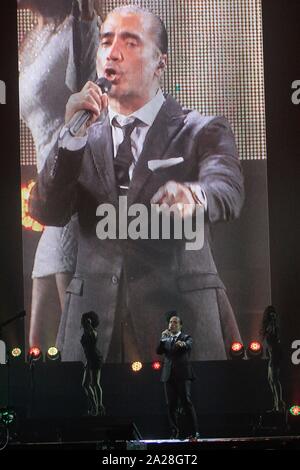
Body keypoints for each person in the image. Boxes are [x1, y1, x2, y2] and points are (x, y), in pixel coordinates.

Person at [29, 5, 244, 363]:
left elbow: (228, 188)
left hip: (179, 325)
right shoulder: (81, 136)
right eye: (106, 41)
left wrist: (196, 195)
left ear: (160, 62)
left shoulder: (201, 130)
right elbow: (45, 210)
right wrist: (68, 138)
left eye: (130, 43)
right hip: (94, 334)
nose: (112, 53)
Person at [18, 0, 101, 349]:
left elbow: (89, 84)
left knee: (73, 326)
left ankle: (93, 396)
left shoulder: (77, 28)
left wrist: (86, 22)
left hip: (72, 185)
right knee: (38, 336)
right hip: (49, 188)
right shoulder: (31, 36)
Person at [157, 313, 199, 439]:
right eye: (170, 322)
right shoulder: (166, 338)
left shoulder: (186, 337)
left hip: (183, 375)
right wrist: (162, 339)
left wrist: (183, 344)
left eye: (175, 322)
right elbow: (158, 351)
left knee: (186, 402)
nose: (172, 324)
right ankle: (175, 432)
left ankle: (193, 432)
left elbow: (189, 345)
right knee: (171, 405)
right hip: (168, 376)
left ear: (180, 325)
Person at [261, 305, 285, 413]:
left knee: (274, 380)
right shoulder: (268, 325)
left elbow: (275, 337)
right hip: (272, 354)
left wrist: (273, 319)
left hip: (275, 354)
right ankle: (276, 405)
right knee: (271, 380)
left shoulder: (273, 325)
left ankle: (279, 405)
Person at [80, 311, 105, 416]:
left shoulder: (93, 332)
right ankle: (95, 406)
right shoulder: (86, 332)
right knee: (85, 384)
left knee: (95, 383)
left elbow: (92, 339)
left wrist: (89, 324)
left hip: (95, 358)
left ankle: (99, 406)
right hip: (90, 359)